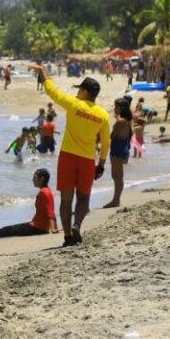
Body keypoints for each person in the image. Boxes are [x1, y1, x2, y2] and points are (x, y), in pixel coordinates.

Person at [30, 65, 110, 247]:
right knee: (84, 198)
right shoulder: (103, 115)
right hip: (87, 160)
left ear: (84, 91)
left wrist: (42, 70)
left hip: (67, 157)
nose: (77, 93)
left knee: (66, 199)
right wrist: (102, 164)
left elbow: (52, 91)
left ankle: (67, 236)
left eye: (79, 90)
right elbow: (106, 143)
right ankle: (77, 225)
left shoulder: (74, 105)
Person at [0, 169, 57, 239]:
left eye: (34, 177)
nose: (32, 180)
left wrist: (53, 228)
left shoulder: (44, 192)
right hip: (39, 226)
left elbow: (50, 212)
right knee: (7, 230)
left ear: (42, 179)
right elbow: (50, 210)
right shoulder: (47, 191)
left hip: (38, 228)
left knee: (6, 230)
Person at [103, 98, 133, 209]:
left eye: (116, 107)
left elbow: (112, 136)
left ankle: (116, 200)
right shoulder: (127, 119)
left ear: (121, 108)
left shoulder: (121, 121)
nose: (114, 109)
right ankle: (116, 199)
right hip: (123, 145)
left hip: (118, 147)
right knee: (117, 175)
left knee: (117, 176)